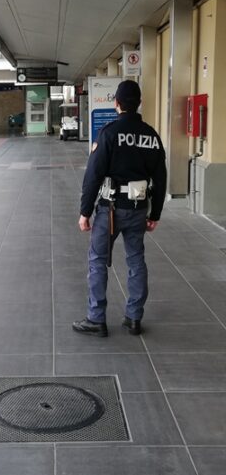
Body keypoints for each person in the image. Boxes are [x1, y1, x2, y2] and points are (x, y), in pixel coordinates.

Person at [73, 80, 167, 337]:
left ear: (116, 103)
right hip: (138, 209)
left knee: (98, 260)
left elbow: (93, 175)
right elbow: (160, 178)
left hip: (110, 210)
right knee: (136, 260)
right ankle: (134, 318)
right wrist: (155, 214)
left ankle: (96, 318)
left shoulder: (110, 133)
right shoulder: (152, 136)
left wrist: (84, 212)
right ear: (139, 104)